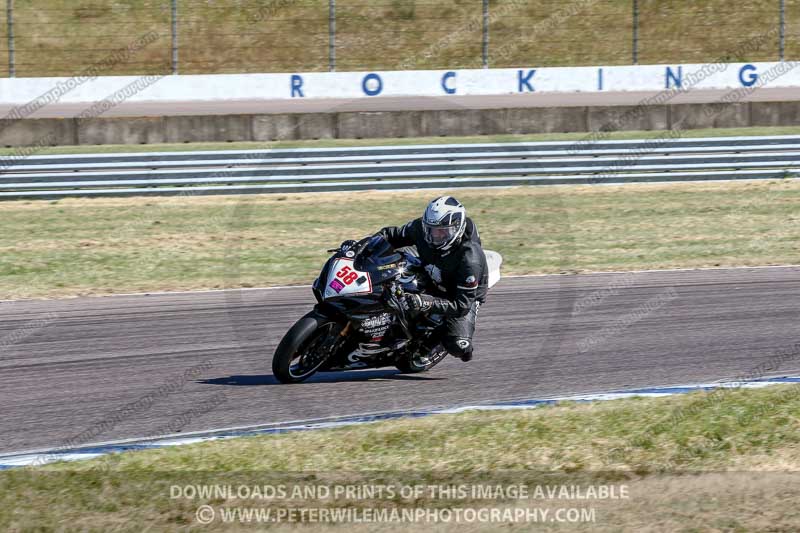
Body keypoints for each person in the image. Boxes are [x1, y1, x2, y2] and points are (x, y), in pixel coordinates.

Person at [374, 196, 488, 362]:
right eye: (432, 230)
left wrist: (425, 302)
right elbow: (392, 235)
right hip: (431, 269)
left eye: (442, 231)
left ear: (457, 229)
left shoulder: (470, 259)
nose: (435, 236)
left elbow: (461, 306)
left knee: (459, 346)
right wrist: (362, 244)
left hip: (458, 292)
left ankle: (443, 340)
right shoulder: (421, 228)